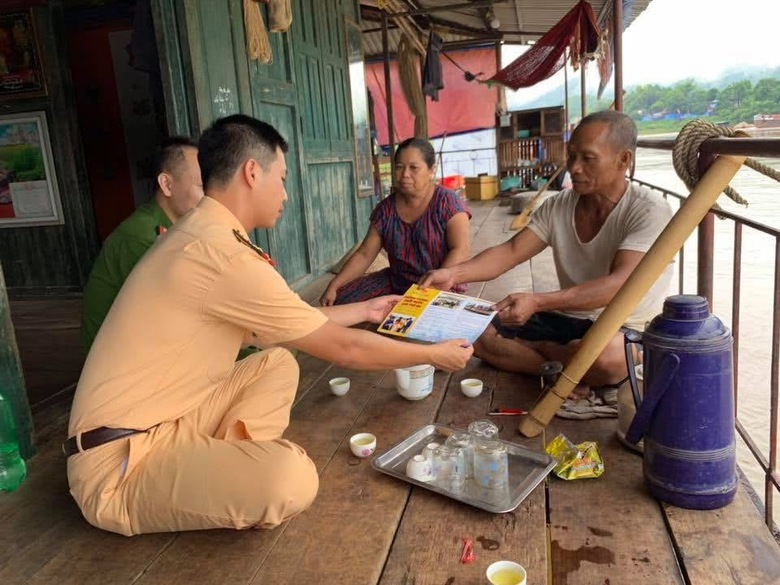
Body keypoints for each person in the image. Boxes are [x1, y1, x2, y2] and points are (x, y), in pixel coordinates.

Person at [65, 114, 472, 536]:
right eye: (281, 178)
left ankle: (220, 473)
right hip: (119, 464)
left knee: (276, 363)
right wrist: (433, 353)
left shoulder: (203, 234)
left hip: (173, 419)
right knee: (291, 478)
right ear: (252, 172)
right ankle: (231, 480)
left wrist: (366, 311)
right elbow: (345, 349)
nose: (286, 194)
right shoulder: (220, 254)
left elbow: (278, 327)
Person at [420, 110, 673, 396]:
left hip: (625, 328)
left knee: (608, 359)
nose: (574, 168)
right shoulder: (559, 205)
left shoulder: (649, 210)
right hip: (569, 321)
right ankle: (559, 368)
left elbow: (620, 286)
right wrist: (452, 273)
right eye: (571, 156)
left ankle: (541, 358)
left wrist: (537, 302)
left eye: (587, 158)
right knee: (470, 329)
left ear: (623, 160)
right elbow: (510, 251)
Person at [80, 136, 202, 352]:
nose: (211, 197)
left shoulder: (183, 229)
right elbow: (176, 317)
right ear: (166, 184)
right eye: (202, 186)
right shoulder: (141, 237)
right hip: (120, 367)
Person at [320, 137, 471, 306]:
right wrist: (334, 285)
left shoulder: (448, 203)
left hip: (441, 285)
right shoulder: (386, 210)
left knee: (424, 322)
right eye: (399, 167)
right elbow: (364, 254)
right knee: (340, 300)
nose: (405, 174)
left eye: (414, 168)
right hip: (397, 282)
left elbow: (460, 250)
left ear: (431, 170)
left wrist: (432, 288)